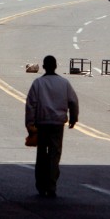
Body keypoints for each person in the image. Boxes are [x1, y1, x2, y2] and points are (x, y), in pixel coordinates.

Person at [25, 55, 79, 198]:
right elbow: (73, 101)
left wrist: (29, 125)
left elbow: (30, 105)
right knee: (54, 156)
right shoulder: (64, 83)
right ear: (56, 66)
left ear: (43, 66)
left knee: (41, 155)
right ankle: (52, 185)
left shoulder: (37, 83)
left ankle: (41, 186)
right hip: (57, 124)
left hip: (41, 124)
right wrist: (73, 118)